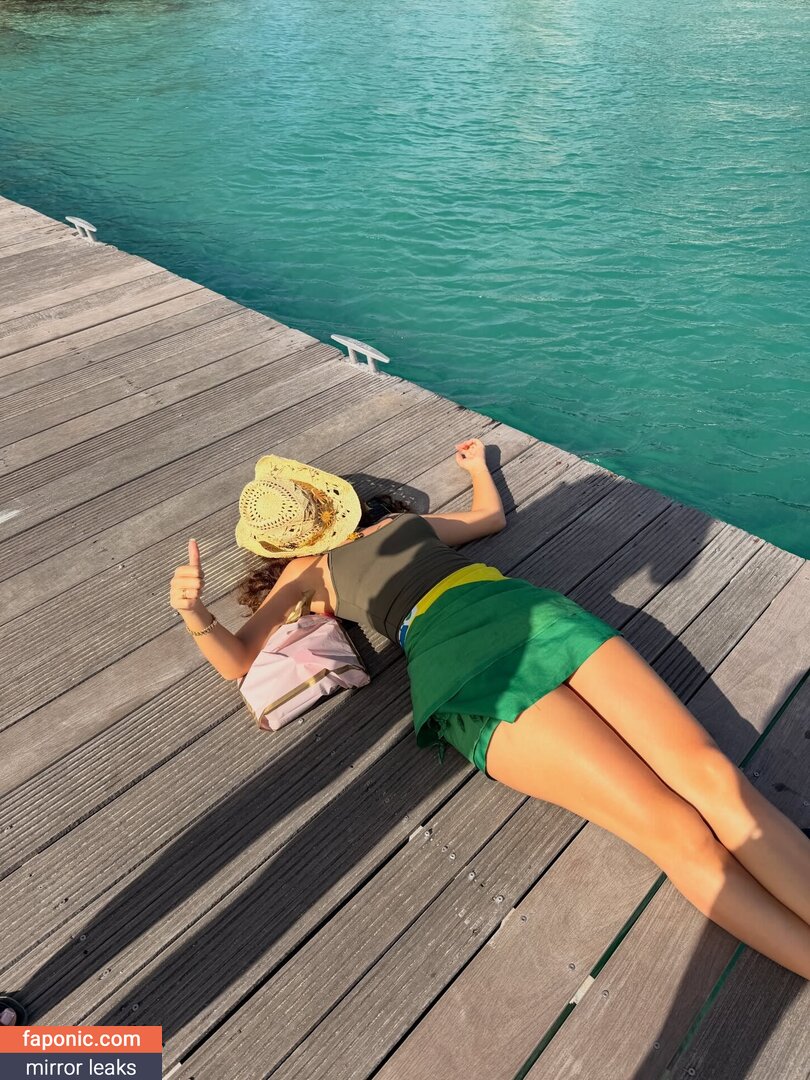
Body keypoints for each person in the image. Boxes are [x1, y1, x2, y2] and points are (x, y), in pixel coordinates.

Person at [169, 438, 810, 981]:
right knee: (673, 826)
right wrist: (196, 615)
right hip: (461, 658)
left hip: (534, 616)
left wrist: (478, 468)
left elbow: (486, 519)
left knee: (713, 777)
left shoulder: (396, 528)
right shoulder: (308, 573)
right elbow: (238, 658)